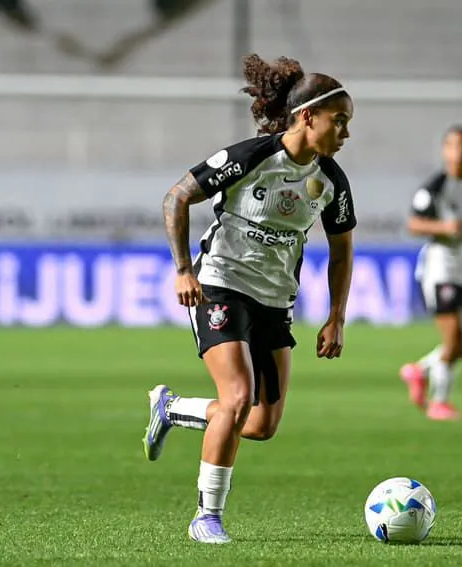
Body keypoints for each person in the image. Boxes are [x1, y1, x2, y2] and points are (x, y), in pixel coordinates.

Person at [142, 54, 357, 543]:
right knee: (236, 398)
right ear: (308, 117)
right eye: (339, 121)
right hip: (220, 283)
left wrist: (336, 317)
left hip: (275, 303)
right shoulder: (252, 157)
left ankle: (172, 409)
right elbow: (177, 197)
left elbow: (342, 250)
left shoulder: (331, 182)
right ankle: (206, 517)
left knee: (260, 424)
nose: (345, 133)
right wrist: (182, 271)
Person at [399, 126, 462, 421]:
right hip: (440, 268)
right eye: (454, 146)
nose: (460, 152)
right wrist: (443, 227)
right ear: (445, 151)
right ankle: (439, 401)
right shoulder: (434, 187)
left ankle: (420, 370)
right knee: (455, 337)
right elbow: (414, 224)